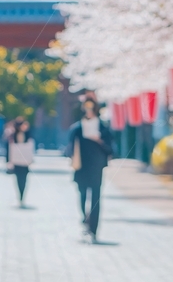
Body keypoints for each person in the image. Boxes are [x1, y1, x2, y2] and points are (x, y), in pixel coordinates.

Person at [65, 96, 113, 243]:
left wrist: (99, 140)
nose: (89, 110)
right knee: (82, 193)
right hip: (81, 166)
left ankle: (94, 228)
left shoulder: (103, 128)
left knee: (96, 197)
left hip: (96, 166)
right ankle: (85, 218)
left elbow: (111, 149)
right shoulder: (77, 128)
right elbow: (69, 149)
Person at [7, 116, 34, 206]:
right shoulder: (13, 135)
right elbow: (10, 149)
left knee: (24, 180)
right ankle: (20, 195)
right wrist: (9, 161)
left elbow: (31, 147)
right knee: (18, 179)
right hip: (17, 161)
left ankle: (22, 195)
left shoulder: (28, 134)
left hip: (25, 162)